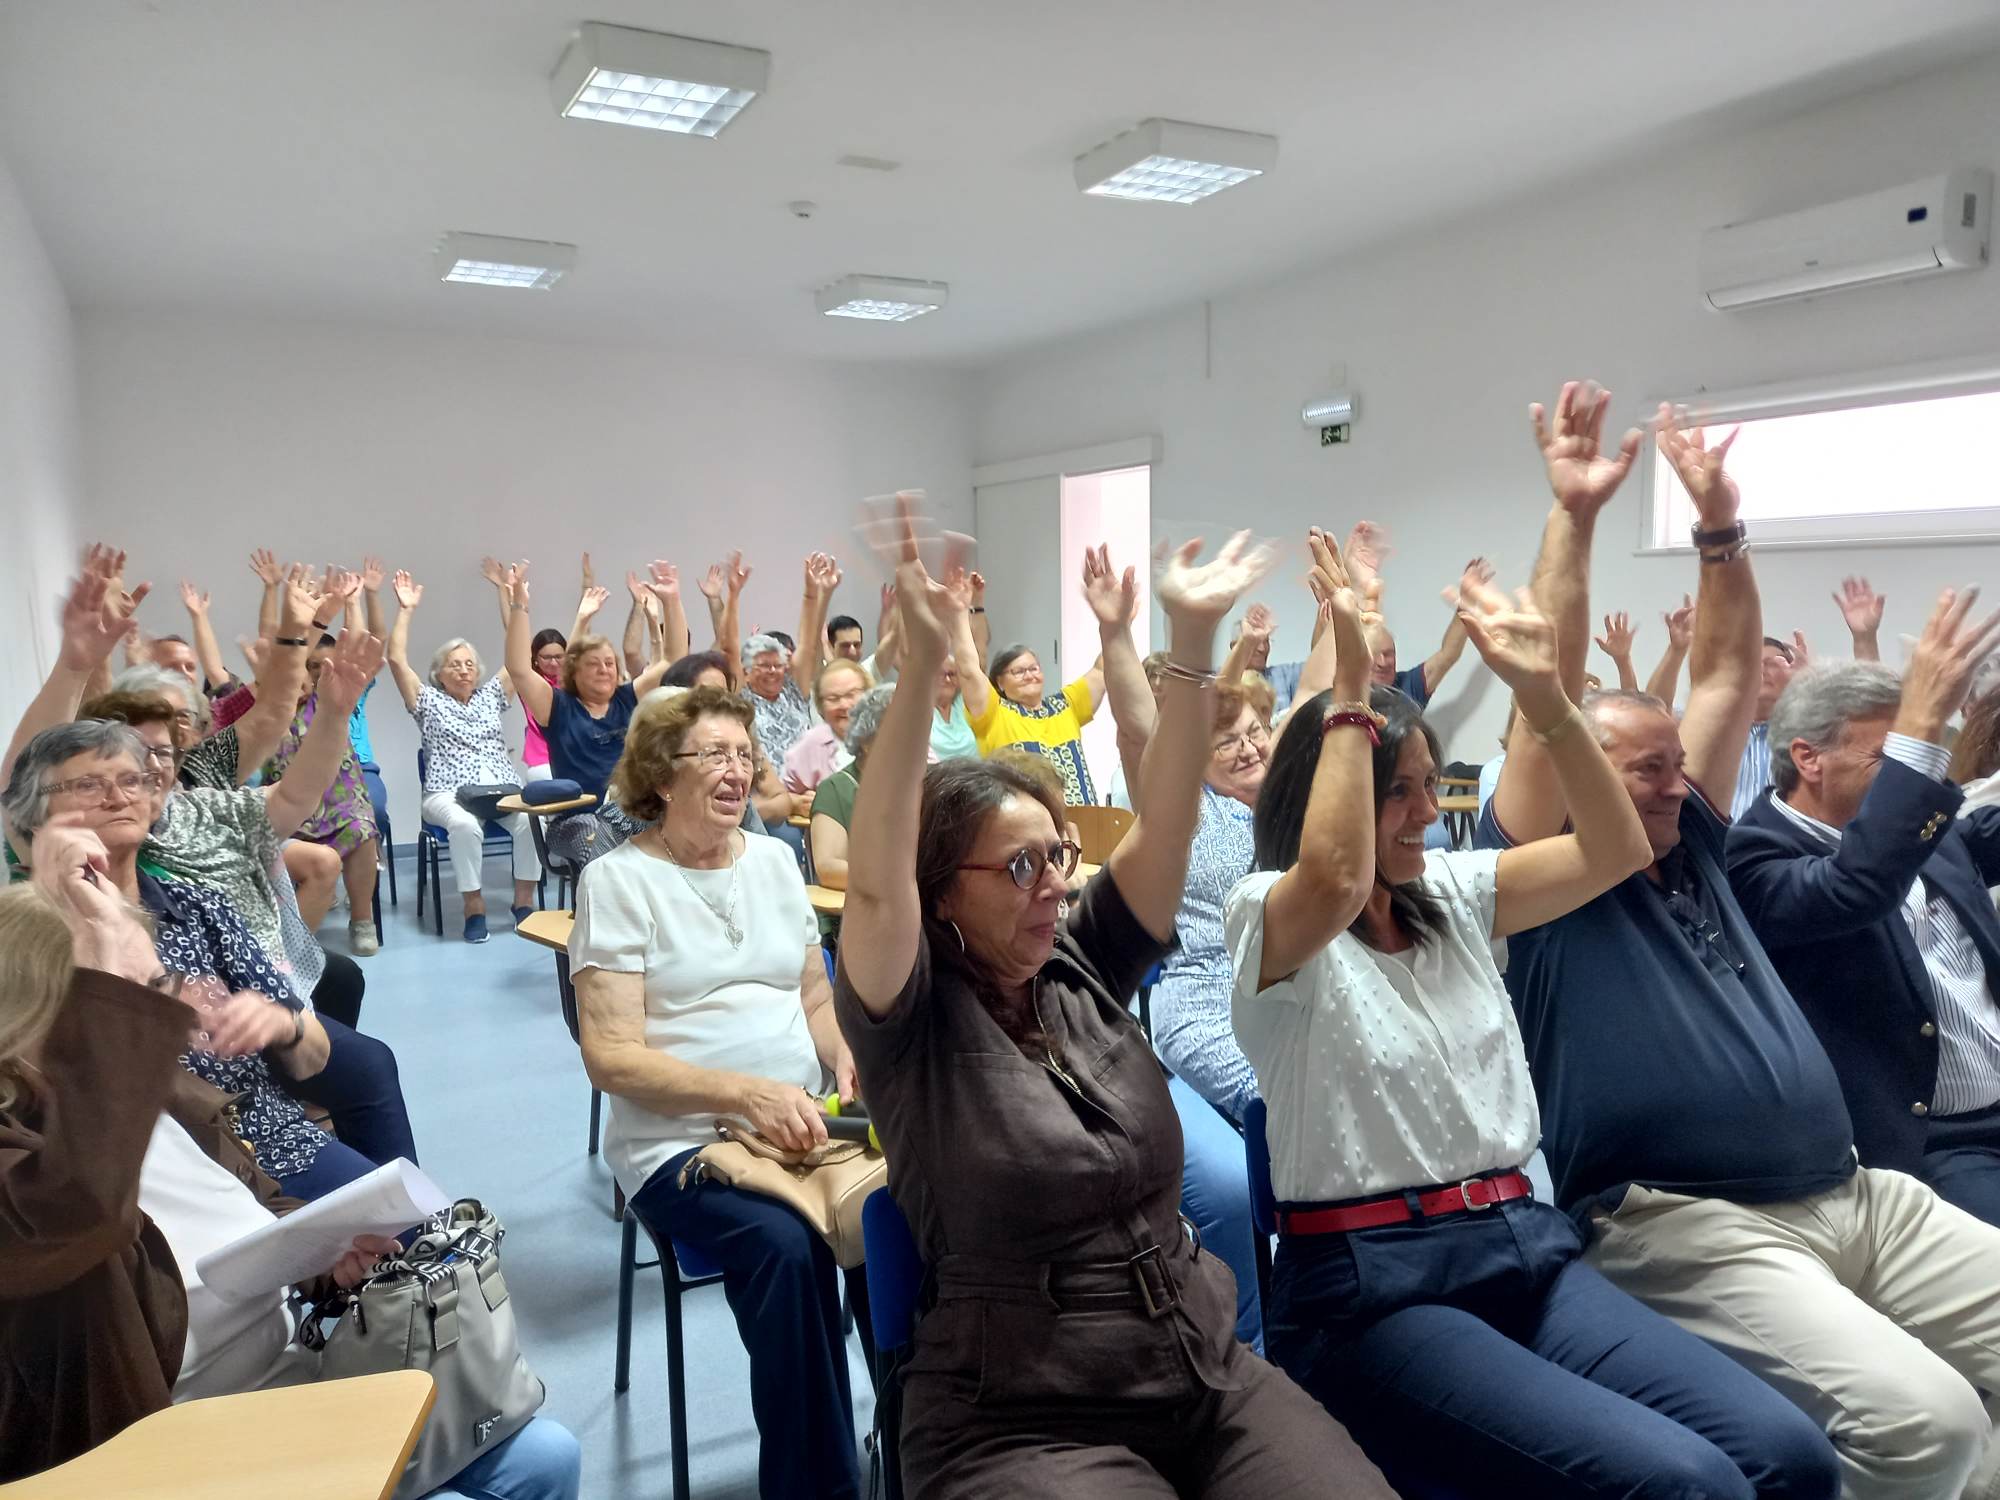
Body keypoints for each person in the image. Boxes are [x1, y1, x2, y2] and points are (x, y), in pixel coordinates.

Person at [1231, 540, 1837, 1498]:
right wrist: (1348, 687)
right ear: (1325, 793)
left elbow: (1613, 845)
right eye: (1399, 791)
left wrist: (1549, 700)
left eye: (1430, 786)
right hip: (1375, 1289)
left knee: (1790, 1453)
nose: (1427, 813)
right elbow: (1339, 875)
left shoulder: (1454, 897)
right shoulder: (1269, 916)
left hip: (1523, 1243)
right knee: (1686, 1484)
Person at [1481, 381, 2000, 1500]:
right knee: (1931, 1426)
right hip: (1683, 1220)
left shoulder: (1702, 846)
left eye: (1680, 766)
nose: (1678, 784)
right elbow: (1546, 696)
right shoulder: (1539, 874)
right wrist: (1570, 517)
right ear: (1576, 777)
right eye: (1642, 768)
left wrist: (1716, 529)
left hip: (1850, 1188)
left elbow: (1721, 672)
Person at [834, 502, 1392, 1499]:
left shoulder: (1078, 960)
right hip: (1016, 1413)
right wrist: (922, 669)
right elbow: (873, 884)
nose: (1053, 881)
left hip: (1195, 1363)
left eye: (1059, 855)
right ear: (941, 889)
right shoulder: (907, 1018)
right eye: (1017, 865)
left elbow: (1164, 822)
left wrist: (1183, 641)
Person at [0, 831, 580, 1497]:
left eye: (156, 983)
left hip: (285, 1375)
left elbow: (257, 1218)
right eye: (125, 995)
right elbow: (82, 1211)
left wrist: (324, 1264)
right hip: (171, 1439)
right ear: (42, 1014)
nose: (159, 1013)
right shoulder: (36, 1159)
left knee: (546, 1454)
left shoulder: (171, 1102)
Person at [570, 685, 864, 1500]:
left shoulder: (774, 860)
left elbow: (813, 997)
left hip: (807, 1122)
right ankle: (817, 1489)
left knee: (906, 1213)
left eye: (747, 755)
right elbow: (612, 1058)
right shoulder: (617, 882)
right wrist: (743, 1097)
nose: (739, 772)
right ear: (664, 776)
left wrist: (845, 1058)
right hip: (682, 1146)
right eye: (717, 756)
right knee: (789, 1250)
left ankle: (923, 1447)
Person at [4, 714, 376, 1201]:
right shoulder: (23, 935)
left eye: (131, 781)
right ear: (35, 815)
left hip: (269, 1141)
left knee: (418, 1237)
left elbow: (313, 1058)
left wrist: (283, 1025)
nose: (118, 797)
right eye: (88, 784)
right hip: (145, 1179)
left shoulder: (198, 906)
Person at [1728, 607, 2000, 1227]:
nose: (1911, 781)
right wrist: (1925, 721)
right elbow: (1858, 885)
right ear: (1809, 757)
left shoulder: (1925, 829)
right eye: (1890, 757)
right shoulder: (1754, 857)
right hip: (1929, 1146)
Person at [1145, 681, 1270, 1350]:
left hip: (1292, 992)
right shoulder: (1194, 812)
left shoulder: (1295, 803)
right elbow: (1146, 738)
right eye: (1227, 741)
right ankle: (1253, 1346)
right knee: (1285, 1100)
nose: (1248, 747)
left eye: (1256, 731)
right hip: (1205, 998)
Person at [386, 570, 542, 942]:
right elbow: (394, 659)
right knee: (465, 827)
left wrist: (515, 601)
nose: (463, 669)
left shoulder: (491, 696)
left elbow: (520, 655)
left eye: (469, 663)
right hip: (447, 793)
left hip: (501, 788)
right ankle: (475, 908)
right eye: (455, 664)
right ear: (439, 673)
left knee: (531, 823)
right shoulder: (427, 700)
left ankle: (523, 904)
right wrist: (405, 610)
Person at [503, 561, 672, 870]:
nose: (604, 669)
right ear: (574, 671)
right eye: (593, 663)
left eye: (609, 662)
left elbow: (672, 660)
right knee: (603, 849)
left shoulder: (627, 697)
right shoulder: (557, 705)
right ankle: (600, 917)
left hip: (630, 811)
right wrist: (518, 605)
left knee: (676, 833)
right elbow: (518, 668)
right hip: (577, 821)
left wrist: (670, 602)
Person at [809, 684, 889, 891]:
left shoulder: (929, 784)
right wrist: (901, 880)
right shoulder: (837, 789)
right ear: (866, 741)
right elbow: (829, 869)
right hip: (860, 909)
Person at [782, 659, 870, 795]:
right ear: (820, 707)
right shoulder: (812, 743)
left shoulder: (888, 734)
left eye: (851, 694)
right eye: (833, 699)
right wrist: (797, 802)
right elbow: (784, 794)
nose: (844, 705)